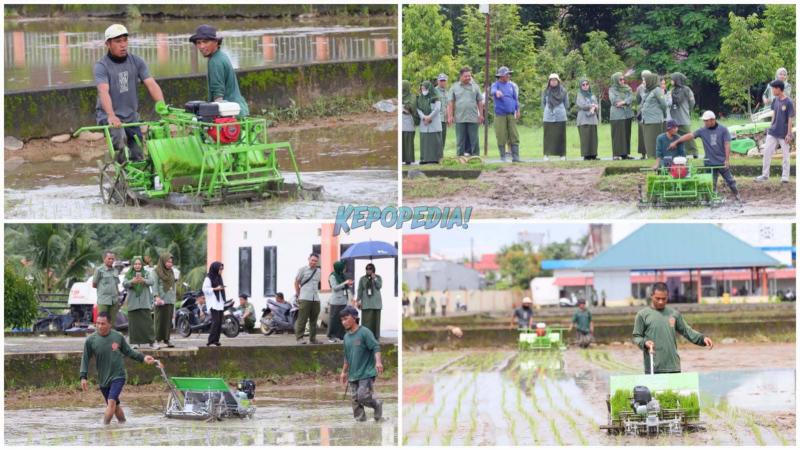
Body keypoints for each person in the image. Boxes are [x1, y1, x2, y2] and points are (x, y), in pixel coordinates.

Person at [95, 24, 165, 163]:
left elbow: (151, 84)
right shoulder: (102, 66)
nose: (123, 45)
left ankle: (137, 176)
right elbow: (103, 91)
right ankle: (122, 175)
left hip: (131, 117)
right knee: (120, 142)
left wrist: (162, 106)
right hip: (110, 117)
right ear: (108, 44)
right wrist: (111, 115)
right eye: (118, 41)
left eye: (125, 40)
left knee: (138, 152)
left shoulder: (137, 61)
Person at [80, 312, 160, 425]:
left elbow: (129, 352)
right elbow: (85, 358)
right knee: (116, 406)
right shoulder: (91, 340)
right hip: (103, 379)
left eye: (103, 324)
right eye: (97, 323)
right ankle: (123, 424)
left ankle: (104, 429)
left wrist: (143, 358)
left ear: (109, 324)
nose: (99, 326)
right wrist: (83, 376)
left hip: (118, 376)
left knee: (111, 403)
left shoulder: (117, 336)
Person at [632, 282, 713, 373]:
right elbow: (636, 337)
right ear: (651, 296)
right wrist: (645, 342)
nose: (661, 302)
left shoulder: (674, 314)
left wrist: (702, 338)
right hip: (653, 367)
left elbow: (687, 331)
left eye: (664, 299)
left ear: (668, 296)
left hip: (673, 367)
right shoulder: (642, 315)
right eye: (657, 298)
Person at [669, 110, 741, 202]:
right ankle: (712, 199)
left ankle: (737, 195)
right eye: (704, 121)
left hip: (722, 161)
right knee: (711, 183)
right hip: (709, 162)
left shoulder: (723, 130)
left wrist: (727, 160)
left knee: (730, 181)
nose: (704, 123)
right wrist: (676, 141)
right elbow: (690, 135)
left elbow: (727, 144)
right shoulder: (702, 131)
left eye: (706, 121)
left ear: (712, 120)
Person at [190, 25, 249, 117]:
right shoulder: (221, 56)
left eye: (205, 42)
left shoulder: (215, 61)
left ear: (216, 42)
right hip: (238, 108)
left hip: (230, 113)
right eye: (198, 42)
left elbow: (218, 95)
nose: (201, 46)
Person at [338, 306, 383, 422]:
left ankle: (376, 404)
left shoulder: (364, 332)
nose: (344, 322)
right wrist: (343, 372)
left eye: (346, 318)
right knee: (355, 401)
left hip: (366, 373)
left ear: (354, 318)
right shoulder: (346, 337)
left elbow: (375, 347)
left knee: (362, 396)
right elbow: (347, 357)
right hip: (353, 375)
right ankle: (360, 425)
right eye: (342, 320)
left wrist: (378, 362)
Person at [755, 79, 794, 183]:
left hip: (784, 134)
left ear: (778, 89)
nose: (772, 90)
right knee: (767, 152)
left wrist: (789, 134)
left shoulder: (789, 102)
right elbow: (774, 114)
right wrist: (771, 125)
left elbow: (790, 118)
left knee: (786, 156)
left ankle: (785, 177)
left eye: (773, 88)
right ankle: (765, 175)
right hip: (773, 132)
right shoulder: (775, 100)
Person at [448, 67, 484, 156]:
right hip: (460, 117)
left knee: (474, 139)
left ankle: (476, 157)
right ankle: (460, 157)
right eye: (466, 76)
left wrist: (481, 115)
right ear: (461, 76)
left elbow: (480, 101)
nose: (468, 77)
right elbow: (450, 103)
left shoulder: (475, 87)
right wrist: (450, 116)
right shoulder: (454, 87)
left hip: (473, 117)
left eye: (469, 76)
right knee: (460, 140)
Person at [123, 256, 155, 349]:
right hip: (133, 303)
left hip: (145, 302)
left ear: (142, 265)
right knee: (134, 324)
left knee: (147, 323)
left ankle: (151, 342)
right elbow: (124, 284)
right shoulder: (128, 274)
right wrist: (132, 281)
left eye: (139, 264)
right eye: (135, 264)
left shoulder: (146, 273)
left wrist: (143, 280)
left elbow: (152, 281)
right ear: (133, 265)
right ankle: (135, 343)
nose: (137, 266)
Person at [491, 66, 521, 162]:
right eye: (507, 74)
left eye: (509, 74)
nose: (509, 76)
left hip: (511, 114)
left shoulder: (511, 86)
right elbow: (492, 91)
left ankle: (516, 157)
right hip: (500, 114)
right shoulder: (496, 84)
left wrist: (518, 109)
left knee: (514, 134)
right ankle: (503, 157)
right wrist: (497, 92)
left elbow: (515, 99)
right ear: (501, 76)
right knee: (501, 134)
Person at [295, 253, 322, 344]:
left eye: (315, 261)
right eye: (312, 260)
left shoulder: (319, 271)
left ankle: (313, 339)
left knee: (314, 320)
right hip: (305, 297)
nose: (313, 262)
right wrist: (298, 295)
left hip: (316, 298)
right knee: (302, 318)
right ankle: (299, 338)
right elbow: (296, 282)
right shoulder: (302, 270)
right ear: (308, 259)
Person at [639, 71, 667, 159]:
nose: (645, 82)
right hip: (646, 120)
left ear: (651, 81)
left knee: (653, 140)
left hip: (654, 120)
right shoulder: (648, 90)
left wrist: (664, 114)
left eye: (646, 81)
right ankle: (650, 155)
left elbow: (664, 104)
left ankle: (655, 156)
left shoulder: (657, 90)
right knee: (648, 140)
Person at [669, 72, 697, 157]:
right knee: (676, 136)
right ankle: (680, 152)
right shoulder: (672, 91)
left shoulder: (686, 89)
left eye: (672, 79)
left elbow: (692, 102)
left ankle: (694, 152)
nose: (671, 81)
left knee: (688, 134)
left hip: (683, 116)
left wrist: (688, 110)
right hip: (674, 116)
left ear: (677, 80)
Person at [542, 74, 569, 160]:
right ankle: (546, 154)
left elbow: (566, 104)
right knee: (547, 136)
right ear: (549, 82)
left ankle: (562, 155)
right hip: (548, 117)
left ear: (558, 81)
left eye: (555, 80)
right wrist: (548, 110)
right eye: (551, 80)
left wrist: (559, 110)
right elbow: (543, 104)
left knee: (561, 136)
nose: (553, 82)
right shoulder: (545, 91)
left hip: (560, 116)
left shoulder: (563, 91)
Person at [152, 253, 176, 348]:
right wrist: (156, 296)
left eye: (171, 262)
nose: (170, 264)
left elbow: (173, 285)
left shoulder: (171, 272)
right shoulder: (156, 271)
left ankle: (166, 339)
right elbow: (154, 285)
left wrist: (174, 298)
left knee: (168, 321)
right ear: (162, 261)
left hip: (170, 298)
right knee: (159, 320)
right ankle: (156, 339)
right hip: (160, 299)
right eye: (168, 261)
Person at [609, 72, 634, 160]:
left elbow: (631, 98)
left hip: (627, 114)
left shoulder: (628, 88)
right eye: (620, 79)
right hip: (617, 115)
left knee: (626, 134)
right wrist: (625, 101)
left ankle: (625, 154)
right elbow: (614, 101)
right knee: (617, 135)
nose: (623, 81)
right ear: (616, 80)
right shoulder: (612, 89)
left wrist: (623, 102)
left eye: (623, 79)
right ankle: (616, 154)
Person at [417, 80, 443, 164]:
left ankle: (436, 159)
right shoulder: (420, 98)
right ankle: (424, 159)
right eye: (422, 89)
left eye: (425, 88)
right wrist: (424, 117)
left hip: (434, 122)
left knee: (434, 140)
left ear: (429, 88)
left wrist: (429, 117)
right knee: (425, 141)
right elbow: (418, 109)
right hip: (424, 123)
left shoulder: (436, 97)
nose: (423, 90)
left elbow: (437, 109)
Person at [93, 251, 121, 329]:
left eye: (112, 259)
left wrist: (118, 297)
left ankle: (111, 339)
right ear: (104, 259)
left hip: (114, 300)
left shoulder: (115, 270)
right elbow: (94, 284)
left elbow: (116, 284)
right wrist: (104, 290)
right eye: (109, 259)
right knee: (101, 321)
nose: (111, 260)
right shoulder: (99, 270)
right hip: (103, 300)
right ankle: (100, 339)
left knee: (112, 322)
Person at [356, 263, 383, 340]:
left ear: (373, 269)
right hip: (366, 303)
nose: (368, 270)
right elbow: (360, 290)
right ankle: (366, 337)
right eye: (367, 269)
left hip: (376, 303)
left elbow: (379, 286)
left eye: (370, 268)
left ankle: (376, 337)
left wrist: (374, 279)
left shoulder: (378, 277)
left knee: (376, 322)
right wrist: (358, 300)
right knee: (366, 322)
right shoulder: (362, 279)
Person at [328, 260, 353, 342]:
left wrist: (349, 283)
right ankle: (331, 336)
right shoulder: (332, 276)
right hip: (336, 301)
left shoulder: (342, 275)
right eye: (343, 268)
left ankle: (341, 335)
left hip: (343, 300)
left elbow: (344, 285)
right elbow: (334, 288)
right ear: (339, 268)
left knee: (342, 319)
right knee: (334, 319)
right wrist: (345, 283)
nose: (344, 269)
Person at [203, 261, 226, 346]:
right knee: (215, 321)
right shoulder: (208, 278)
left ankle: (216, 340)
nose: (221, 271)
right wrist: (215, 289)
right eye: (220, 269)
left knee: (219, 322)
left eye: (222, 269)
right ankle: (210, 340)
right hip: (213, 302)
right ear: (215, 268)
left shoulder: (219, 277)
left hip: (219, 302)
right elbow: (204, 289)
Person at [576, 78, 599, 161]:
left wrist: (595, 107)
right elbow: (582, 105)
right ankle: (586, 155)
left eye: (587, 84)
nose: (585, 86)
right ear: (580, 86)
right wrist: (592, 106)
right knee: (585, 138)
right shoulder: (580, 95)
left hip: (592, 119)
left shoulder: (592, 95)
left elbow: (597, 106)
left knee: (593, 138)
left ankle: (593, 155)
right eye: (583, 85)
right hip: (583, 119)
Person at [634, 70, 651, 159]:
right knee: (643, 133)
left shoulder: (652, 87)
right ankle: (644, 153)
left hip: (648, 112)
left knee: (647, 132)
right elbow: (637, 99)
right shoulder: (640, 88)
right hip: (642, 112)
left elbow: (638, 100)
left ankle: (647, 153)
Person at [401, 80, 417, 165]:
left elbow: (412, 107)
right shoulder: (399, 96)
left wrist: (404, 106)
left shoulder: (412, 96)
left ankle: (408, 159)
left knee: (408, 140)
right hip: (401, 120)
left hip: (409, 121)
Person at [435, 74, 450, 151]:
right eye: (441, 80)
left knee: (443, 138)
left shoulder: (447, 92)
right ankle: (435, 155)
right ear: (438, 81)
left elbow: (448, 105)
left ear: (446, 81)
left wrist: (449, 117)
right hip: (436, 118)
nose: (442, 82)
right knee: (437, 138)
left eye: (444, 80)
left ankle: (441, 155)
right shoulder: (434, 91)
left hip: (444, 119)